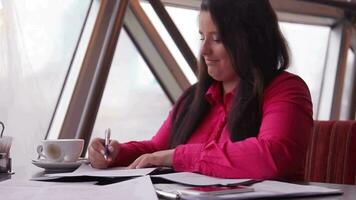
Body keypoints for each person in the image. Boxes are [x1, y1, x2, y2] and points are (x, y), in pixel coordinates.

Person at [89, 0, 313, 181]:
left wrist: (179, 156)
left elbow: (273, 156)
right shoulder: (193, 97)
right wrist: (117, 154)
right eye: (201, 37)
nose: (204, 50)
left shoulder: (286, 89)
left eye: (217, 38)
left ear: (251, 40)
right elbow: (157, 148)